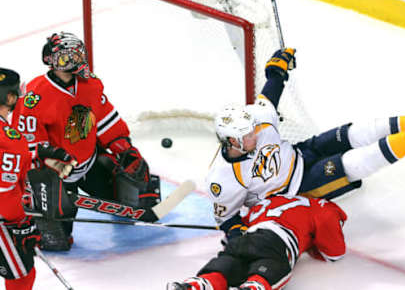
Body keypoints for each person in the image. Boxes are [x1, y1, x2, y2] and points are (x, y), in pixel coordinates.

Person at [206, 47, 405, 241]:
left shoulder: (257, 119)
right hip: (295, 191)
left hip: (301, 153)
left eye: (251, 128)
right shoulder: (222, 178)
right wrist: (240, 232)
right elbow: (228, 219)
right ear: (232, 141)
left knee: (351, 133)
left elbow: (271, 89)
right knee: (351, 164)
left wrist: (277, 68)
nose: (253, 133)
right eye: (246, 134)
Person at [11, 32, 160, 251]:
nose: (73, 62)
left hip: (88, 162)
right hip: (57, 171)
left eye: (77, 56)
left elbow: (106, 119)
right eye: (66, 58)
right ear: (49, 60)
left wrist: (124, 148)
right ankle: (42, 213)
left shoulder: (90, 84)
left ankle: (139, 191)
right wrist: (44, 168)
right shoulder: (35, 95)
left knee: (125, 193)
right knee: (59, 240)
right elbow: (27, 143)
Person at [167, 194, 347, 290]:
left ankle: (196, 285)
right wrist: (314, 248)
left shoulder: (266, 202)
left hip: (247, 238)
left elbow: (231, 237)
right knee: (270, 268)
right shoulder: (319, 205)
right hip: (276, 241)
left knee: (229, 264)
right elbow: (334, 252)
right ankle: (254, 287)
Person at [0, 68, 41, 290]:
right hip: (3, 215)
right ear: (9, 98)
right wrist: (20, 223)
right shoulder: (9, 140)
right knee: (21, 274)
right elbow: (3, 190)